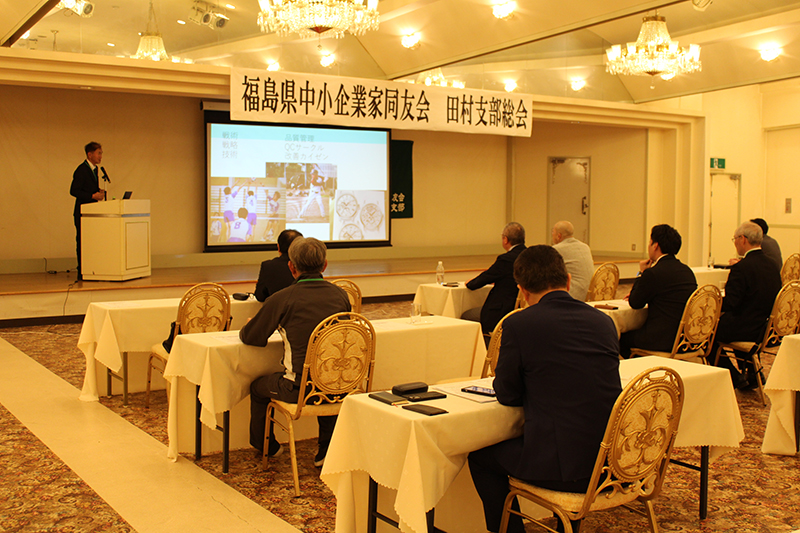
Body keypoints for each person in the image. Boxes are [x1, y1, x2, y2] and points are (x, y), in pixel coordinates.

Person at [468, 245, 621, 533]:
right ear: (568, 281)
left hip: (563, 468)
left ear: (523, 291)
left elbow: (508, 394)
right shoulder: (604, 322)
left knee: (480, 457)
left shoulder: (519, 325)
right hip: (612, 462)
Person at [240, 237, 350, 466]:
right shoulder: (341, 296)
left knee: (258, 387)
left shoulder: (282, 298)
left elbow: (252, 337)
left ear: (291, 267)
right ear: (324, 265)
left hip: (298, 389)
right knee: (326, 375)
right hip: (338, 385)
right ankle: (326, 449)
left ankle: (266, 446)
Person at [714, 221, 782, 388]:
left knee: (708, 333)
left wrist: (713, 303)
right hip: (765, 328)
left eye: (735, 239)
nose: (735, 243)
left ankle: (734, 376)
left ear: (743, 239)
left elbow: (731, 303)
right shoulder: (772, 265)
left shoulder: (742, 268)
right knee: (734, 321)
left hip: (746, 328)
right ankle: (752, 373)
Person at [619, 224, 697, 358]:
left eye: (650, 242)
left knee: (619, 338)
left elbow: (635, 303)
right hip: (686, 338)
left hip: (661, 340)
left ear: (655, 245)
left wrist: (641, 273)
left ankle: (640, 368)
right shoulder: (687, 271)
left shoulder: (653, 273)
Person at [462, 222, 526, 335]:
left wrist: (470, 283)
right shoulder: (530, 256)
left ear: (505, 240)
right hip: (522, 310)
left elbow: (484, 278)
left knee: (465, 316)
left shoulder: (506, 259)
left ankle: (483, 344)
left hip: (501, 312)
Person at [70, 141, 106, 281]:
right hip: (82, 212)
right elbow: (74, 190)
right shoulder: (82, 170)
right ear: (89, 154)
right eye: (98, 153)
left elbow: (87, 188)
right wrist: (92, 196)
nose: (100, 156)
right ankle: (82, 270)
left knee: (92, 241)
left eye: (101, 153)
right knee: (82, 241)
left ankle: (92, 268)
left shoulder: (95, 170)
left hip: (92, 212)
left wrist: (98, 192)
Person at [254, 229, 302, 302]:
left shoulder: (268, 266)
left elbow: (260, 296)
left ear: (278, 247)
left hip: (278, 308)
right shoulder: (308, 265)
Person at [551, 220, 594, 301]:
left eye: (553, 232)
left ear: (559, 236)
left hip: (574, 294)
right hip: (592, 293)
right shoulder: (585, 247)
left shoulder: (557, 249)